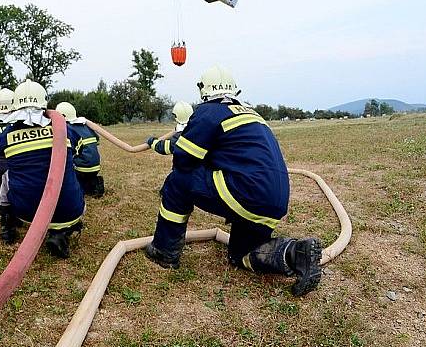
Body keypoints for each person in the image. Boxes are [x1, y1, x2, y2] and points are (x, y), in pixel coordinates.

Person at [144, 66, 322, 297]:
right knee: (240, 254)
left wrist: (159, 145)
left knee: (178, 181)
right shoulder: (251, 113)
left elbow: (184, 159)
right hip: (273, 201)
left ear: (203, 89)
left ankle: (164, 251)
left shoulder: (209, 111)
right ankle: (296, 253)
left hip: (246, 190)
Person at [0, 80, 85, 258]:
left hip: (26, 213)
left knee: (7, 176)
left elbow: (1, 154)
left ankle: (8, 225)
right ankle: (61, 233)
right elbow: (78, 150)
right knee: (70, 172)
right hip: (70, 210)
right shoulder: (65, 129)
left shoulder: (5, 136)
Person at [54, 101, 105, 197]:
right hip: (95, 167)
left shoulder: (68, 129)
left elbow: (68, 152)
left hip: (81, 169)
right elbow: (97, 140)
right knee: (87, 179)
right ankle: (95, 183)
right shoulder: (85, 126)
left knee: (68, 174)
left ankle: (81, 187)